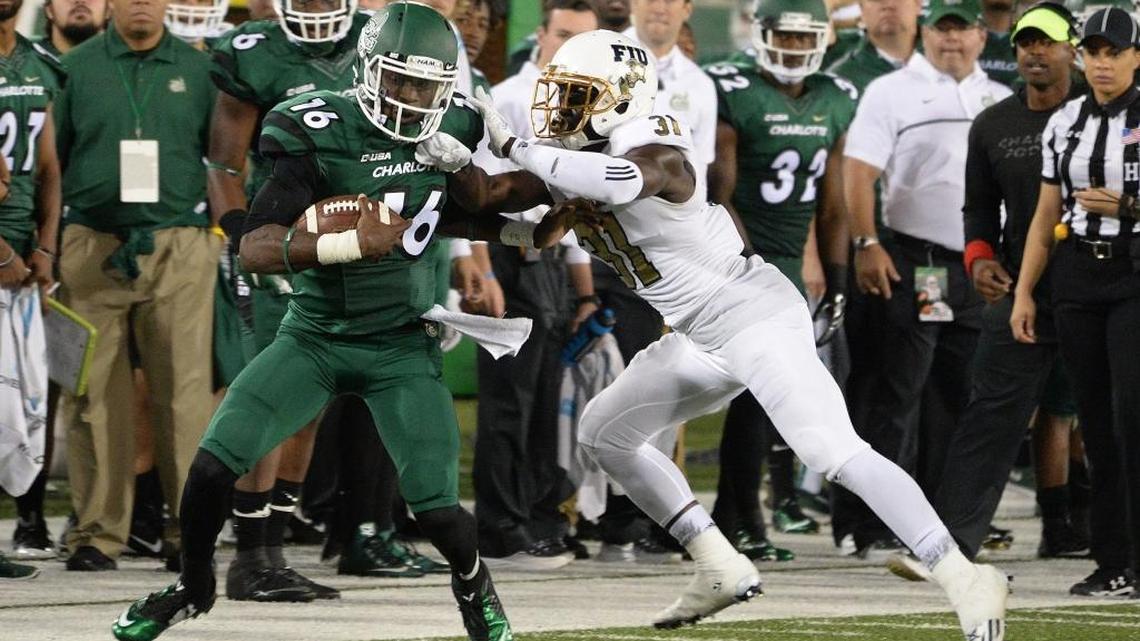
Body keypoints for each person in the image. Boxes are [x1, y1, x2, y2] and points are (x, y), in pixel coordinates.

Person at [426, 27, 1010, 641]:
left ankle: (963, 574)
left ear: (620, 97)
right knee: (605, 434)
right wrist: (450, 162)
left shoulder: (652, 138)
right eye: (559, 93)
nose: (559, 109)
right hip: (697, 334)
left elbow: (623, 180)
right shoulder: (573, 158)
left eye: (576, 95)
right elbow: (491, 199)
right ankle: (717, 562)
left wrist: (515, 144)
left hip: (751, 314)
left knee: (830, 449)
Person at [111, 4, 586, 640]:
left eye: (428, 86)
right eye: (402, 80)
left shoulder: (456, 123)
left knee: (441, 511)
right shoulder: (316, 125)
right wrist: (345, 245)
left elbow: (457, 210)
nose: (415, 98)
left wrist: (522, 213)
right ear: (367, 69)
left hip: (401, 346)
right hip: (315, 336)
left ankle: (475, 587)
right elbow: (255, 245)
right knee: (210, 470)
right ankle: (191, 586)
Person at [909, 2, 1091, 586]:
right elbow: (978, 208)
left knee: (1110, 415)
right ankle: (950, 546)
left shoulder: (1108, 111)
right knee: (990, 414)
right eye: (1024, 44)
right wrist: (980, 258)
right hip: (1022, 289)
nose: (1035, 53)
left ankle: (1113, 542)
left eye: (1048, 43)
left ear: (1072, 49)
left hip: (1102, 285)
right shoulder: (995, 124)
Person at [840, 0, 1010, 560]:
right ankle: (872, 522)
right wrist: (867, 242)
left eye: (962, 31)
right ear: (925, 33)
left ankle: (941, 520)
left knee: (960, 394)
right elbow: (860, 172)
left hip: (980, 266)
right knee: (899, 390)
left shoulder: (998, 99)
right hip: (919, 260)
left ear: (981, 38)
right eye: (942, 30)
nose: (952, 41)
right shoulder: (891, 91)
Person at [54, 0, 218, 573]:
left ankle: (188, 531)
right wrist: (52, 246)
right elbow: (57, 161)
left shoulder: (203, 69)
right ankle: (97, 534)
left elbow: (223, 161)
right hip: (91, 243)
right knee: (91, 394)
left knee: (186, 396)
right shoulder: (72, 69)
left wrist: (225, 235)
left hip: (181, 244)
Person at [704, 0, 856, 556]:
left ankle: (737, 515)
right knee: (748, 394)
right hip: (736, 257)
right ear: (763, 35)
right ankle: (737, 518)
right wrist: (749, 263)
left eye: (802, 39)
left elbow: (834, 202)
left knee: (765, 397)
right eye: (783, 37)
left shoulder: (836, 99)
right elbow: (719, 192)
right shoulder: (732, 89)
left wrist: (838, 276)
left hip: (789, 260)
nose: (792, 49)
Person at [1011, 5, 1140, 598]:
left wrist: (1129, 210)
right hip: (1078, 280)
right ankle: (1113, 559)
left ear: (1136, 56)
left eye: (1114, 51)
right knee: (1096, 423)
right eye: (1093, 52)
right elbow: (1044, 215)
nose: (1103, 63)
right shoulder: (1065, 122)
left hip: (1134, 275)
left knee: (1131, 418)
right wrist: (1024, 293)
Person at [472, 0, 599, 570]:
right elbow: (473, 188)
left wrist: (584, 288)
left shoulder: (583, 101)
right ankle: (500, 527)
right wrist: (476, 263)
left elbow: (575, 204)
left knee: (547, 401)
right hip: (505, 251)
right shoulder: (506, 97)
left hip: (547, 261)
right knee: (508, 401)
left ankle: (539, 516)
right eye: (565, 36)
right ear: (540, 35)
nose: (573, 50)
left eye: (584, 41)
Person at [0, 0, 64, 566]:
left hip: (22, 258)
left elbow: (47, 167)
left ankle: (25, 521)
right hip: (4, 257)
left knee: (17, 401)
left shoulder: (38, 62)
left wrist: (44, 246)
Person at [40, 0, 108, 57]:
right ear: (49, 10)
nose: (80, 1)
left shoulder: (117, 68)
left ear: (108, 10)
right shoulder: (30, 64)